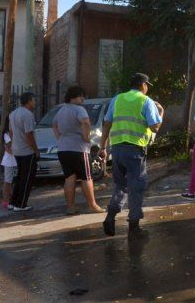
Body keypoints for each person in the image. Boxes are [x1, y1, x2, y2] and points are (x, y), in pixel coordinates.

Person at [100, 73, 164, 240]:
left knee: (121, 186)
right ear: (142, 85)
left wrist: (103, 147)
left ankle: (110, 217)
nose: (147, 88)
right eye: (147, 85)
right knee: (136, 188)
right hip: (135, 151)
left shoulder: (117, 99)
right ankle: (134, 228)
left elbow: (107, 123)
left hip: (118, 150)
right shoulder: (146, 101)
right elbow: (155, 127)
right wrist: (161, 113)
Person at [53, 86, 105, 215]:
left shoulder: (61, 110)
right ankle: (92, 205)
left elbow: (54, 124)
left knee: (69, 178)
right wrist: (86, 137)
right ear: (72, 97)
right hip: (78, 148)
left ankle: (71, 207)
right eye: (80, 96)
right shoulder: (80, 109)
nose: (83, 98)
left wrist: (59, 137)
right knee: (86, 177)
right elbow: (86, 123)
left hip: (63, 148)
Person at [9, 92, 39, 212]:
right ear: (29, 101)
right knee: (26, 178)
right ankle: (21, 204)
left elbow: (11, 131)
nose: (34, 102)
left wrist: (13, 144)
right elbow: (29, 134)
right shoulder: (28, 115)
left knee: (19, 177)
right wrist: (36, 150)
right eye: (33, 100)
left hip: (16, 149)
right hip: (27, 151)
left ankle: (13, 202)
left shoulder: (13, 113)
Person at [0, 117, 16, 210]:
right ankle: (5, 200)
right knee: (8, 181)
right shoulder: (7, 134)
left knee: (13, 181)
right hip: (9, 161)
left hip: (15, 160)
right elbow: (9, 147)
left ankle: (11, 199)